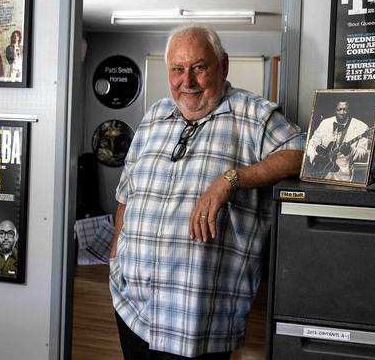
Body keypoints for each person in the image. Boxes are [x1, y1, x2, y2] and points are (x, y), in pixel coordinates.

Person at [110, 25, 305, 359]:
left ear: (223, 66)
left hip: (197, 319)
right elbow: (127, 194)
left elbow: (303, 155)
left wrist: (229, 179)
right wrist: (115, 259)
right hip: (132, 305)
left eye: (199, 68)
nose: (187, 81)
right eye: (177, 69)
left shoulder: (254, 115)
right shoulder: (154, 117)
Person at [305, 101, 370, 181]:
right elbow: (312, 143)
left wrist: (350, 150)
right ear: (334, 110)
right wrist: (314, 157)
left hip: (344, 176)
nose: (342, 112)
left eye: (345, 109)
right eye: (339, 109)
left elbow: (362, 153)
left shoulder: (361, 127)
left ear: (349, 110)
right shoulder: (325, 123)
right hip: (320, 172)